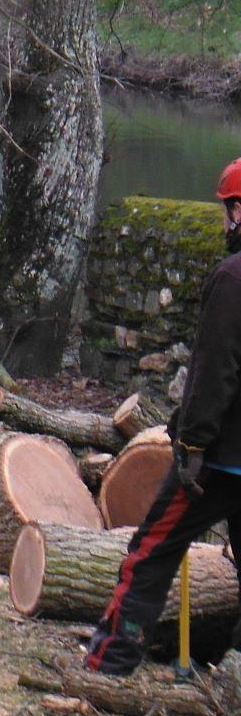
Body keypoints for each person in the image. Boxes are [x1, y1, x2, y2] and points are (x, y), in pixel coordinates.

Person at [87, 156, 241, 675]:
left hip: (219, 459)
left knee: (149, 554)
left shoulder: (231, 279)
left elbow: (213, 372)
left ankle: (109, 661)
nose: (223, 223)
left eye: (226, 210)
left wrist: (192, 444)